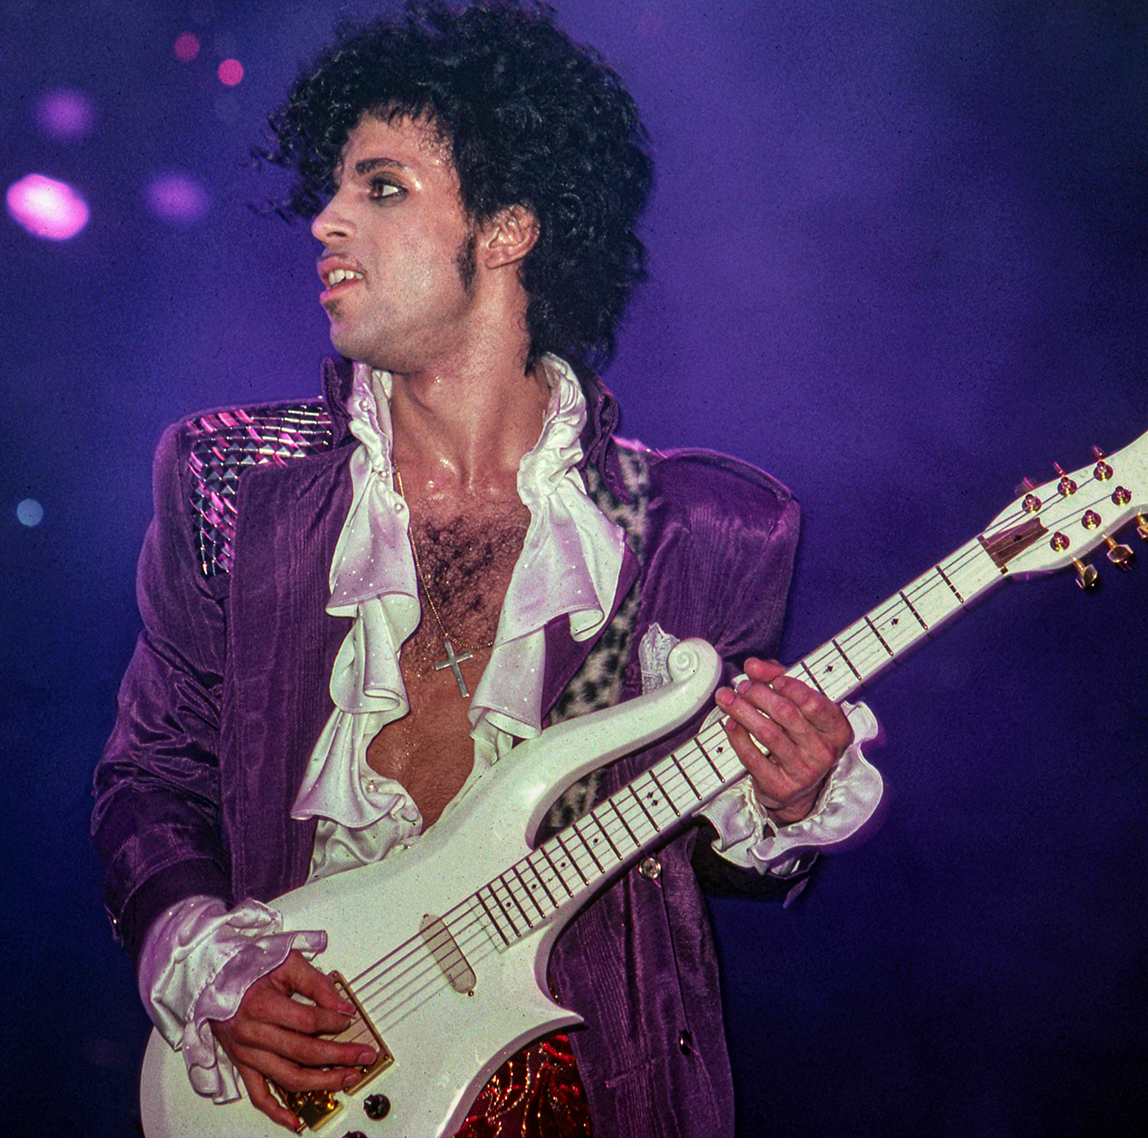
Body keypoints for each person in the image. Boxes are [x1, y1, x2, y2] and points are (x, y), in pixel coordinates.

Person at [91, 4, 884, 1135]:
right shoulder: (232, 481)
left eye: (381, 187)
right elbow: (150, 777)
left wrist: (787, 797)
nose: (324, 220)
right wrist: (211, 960)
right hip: (311, 1089)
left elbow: (698, 858)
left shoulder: (706, 528)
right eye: (333, 187)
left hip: (593, 1094)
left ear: (506, 229)